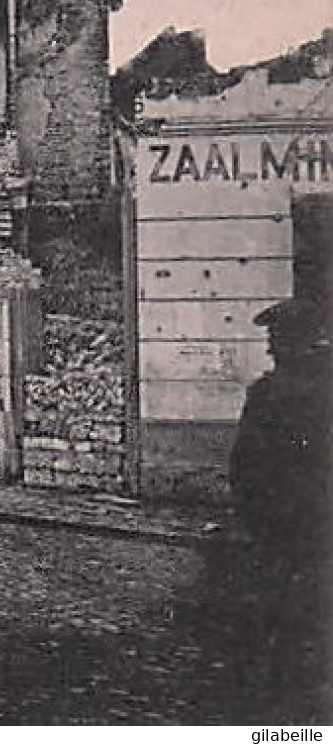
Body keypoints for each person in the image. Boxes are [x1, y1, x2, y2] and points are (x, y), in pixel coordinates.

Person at [227, 295, 331, 712]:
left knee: (283, 615)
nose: (270, 347)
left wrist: (253, 520)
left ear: (296, 342)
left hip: (284, 526)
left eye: (276, 339)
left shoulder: (270, 394)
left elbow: (245, 466)